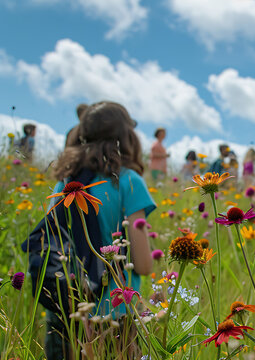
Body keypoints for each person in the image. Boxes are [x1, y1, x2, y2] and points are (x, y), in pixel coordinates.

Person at [48, 101, 156, 358]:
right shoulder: (128, 181)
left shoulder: (64, 183)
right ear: (127, 136)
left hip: (64, 311)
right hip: (115, 316)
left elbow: (51, 242)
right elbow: (142, 265)